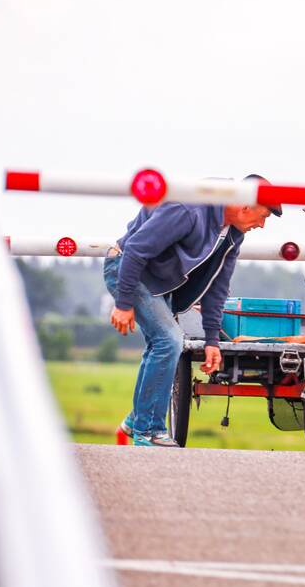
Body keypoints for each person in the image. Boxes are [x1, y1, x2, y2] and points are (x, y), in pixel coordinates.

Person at [103, 175, 281, 446]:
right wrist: (124, 302)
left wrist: (212, 340)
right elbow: (136, 250)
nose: (262, 225)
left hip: (157, 283)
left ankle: (137, 420)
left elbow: (217, 286)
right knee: (169, 340)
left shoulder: (233, 234)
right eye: (264, 216)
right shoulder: (188, 209)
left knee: (162, 344)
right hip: (127, 270)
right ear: (246, 206)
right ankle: (148, 431)